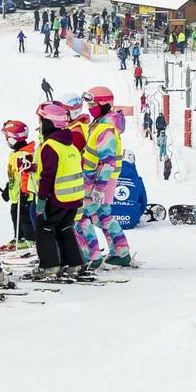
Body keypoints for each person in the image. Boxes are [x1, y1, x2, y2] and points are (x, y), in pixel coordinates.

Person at [77, 86, 131, 268]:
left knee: (82, 216)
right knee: (102, 216)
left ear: (105, 104)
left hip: (99, 182)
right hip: (98, 181)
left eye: (93, 103)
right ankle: (120, 252)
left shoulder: (106, 129)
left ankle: (90, 255)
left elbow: (108, 162)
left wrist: (99, 188)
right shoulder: (101, 124)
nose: (90, 107)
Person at [32, 102, 86, 278]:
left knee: (44, 228)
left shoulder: (50, 146)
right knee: (65, 227)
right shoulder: (69, 144)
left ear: (49, 122)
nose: (39, 126)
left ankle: (49, 266)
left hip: (58, 197)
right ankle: (74, 263)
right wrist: (33, 167)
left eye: (41, 121)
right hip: (74, 198)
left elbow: (48, 176)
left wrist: (41, 201)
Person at [2, 119, 36, 249]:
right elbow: (14, 175)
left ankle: (30, 238)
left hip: (25, 195)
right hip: (15, 194)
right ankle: (19, 236)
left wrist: (25, 193)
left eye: (8, 138)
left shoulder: (25, 155)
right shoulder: (14, 154)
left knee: (25, 217)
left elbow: (26, 175)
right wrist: (7, 188)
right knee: (15, 214)